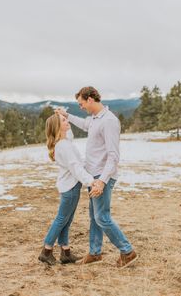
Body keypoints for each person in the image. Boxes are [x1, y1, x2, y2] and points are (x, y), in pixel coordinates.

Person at [56, 86, 138, 269]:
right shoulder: (94, 119)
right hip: (93, 175)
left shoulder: (109, 121)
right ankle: (95, 253)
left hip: (102, 176)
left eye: (81, 103)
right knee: (94, 216)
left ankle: (127, 251)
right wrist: (66, 115)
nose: (81, 107)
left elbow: (113, 156)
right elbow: (84, 124)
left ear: (90, 99)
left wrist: (102, 181)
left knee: (102, 217)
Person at [38, 112, 95, 266]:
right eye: (64, 121)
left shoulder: (64, 141)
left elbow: (69, 135)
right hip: (70, 188)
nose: (67, 121)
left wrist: (63, 114)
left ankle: (66, 252)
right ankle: (46, 251)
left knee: (66, 221)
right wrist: (91, 181)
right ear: (58, 126)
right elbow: (75, 167)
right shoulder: (63, 146)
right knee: (61, 219)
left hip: (70, 186)